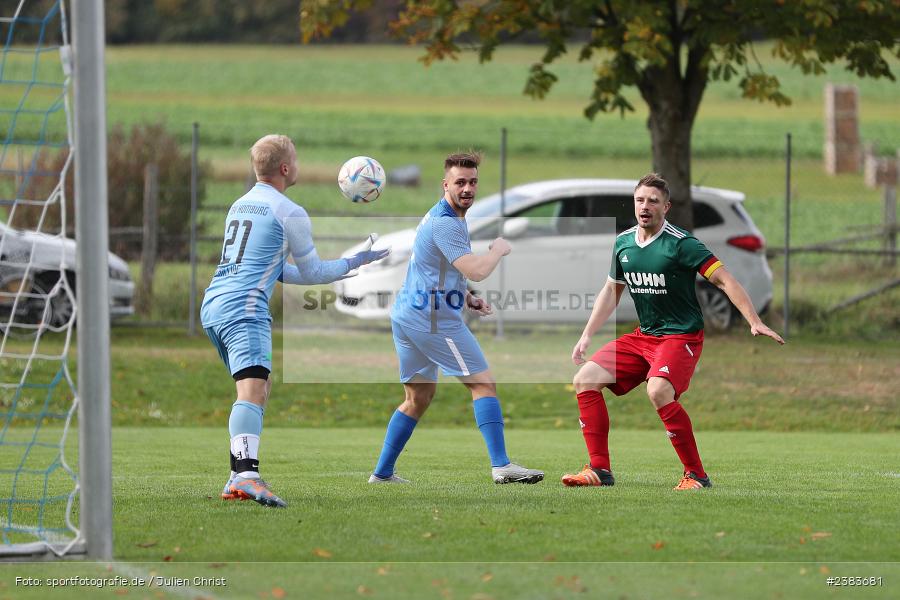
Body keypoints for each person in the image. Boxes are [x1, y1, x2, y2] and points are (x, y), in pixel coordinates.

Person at [200, 134, 389, 507]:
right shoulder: (289, 211)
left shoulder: (240, 205)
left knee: (258, 387)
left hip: (214, 305)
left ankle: (235, 476)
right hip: (245, 309)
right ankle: (248, 475)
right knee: (252, 392)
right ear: (285, 168)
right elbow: (315, 271)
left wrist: (344, 267)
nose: (299, 165)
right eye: (296, 160)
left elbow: (280, 272)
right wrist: (355, 262)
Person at [562, 173, 784, 490]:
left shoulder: (682, 244)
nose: (645, 206)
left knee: (658, 391)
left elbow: (724, 280)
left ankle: (696, 476)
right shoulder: (624, 243)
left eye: (653, 201)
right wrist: (587, 334)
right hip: (645, 336)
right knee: (585, 380)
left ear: (666, 207)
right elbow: (611, 290)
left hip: (681, 336)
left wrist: (753, 319)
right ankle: (599, 470)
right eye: (640, 200)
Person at [369, 151, 543, 485]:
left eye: (473, 182)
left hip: (408, 314)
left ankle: (382, 473)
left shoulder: (446, 217)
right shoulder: (446, 222)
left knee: (417, 398)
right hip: (432, 319)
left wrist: (466, 296)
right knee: (483, 383)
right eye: (460, 182)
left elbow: (434, 267)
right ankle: (502, 466)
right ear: (445, 184)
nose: (467, 188)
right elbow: (477, 268)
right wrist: (497, 250)